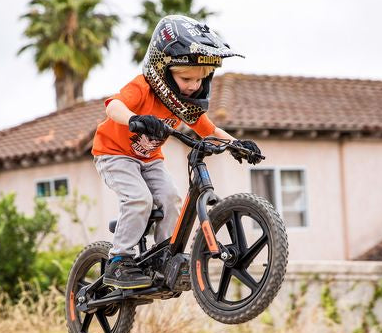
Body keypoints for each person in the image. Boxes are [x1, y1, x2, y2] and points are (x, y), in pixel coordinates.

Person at [91, 15, 261, 289]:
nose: (194, 85)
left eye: (200, 79)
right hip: (114, 153)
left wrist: (237, 145)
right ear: (163, 69)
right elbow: (113, 106)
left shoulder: (182, 104)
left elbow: (209, 129)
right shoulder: (143, 87)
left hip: (149, 159)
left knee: (172, 198)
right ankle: (118, 260)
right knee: (139, 199)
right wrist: (134, 119)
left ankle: (162, 257)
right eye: (186, 78)